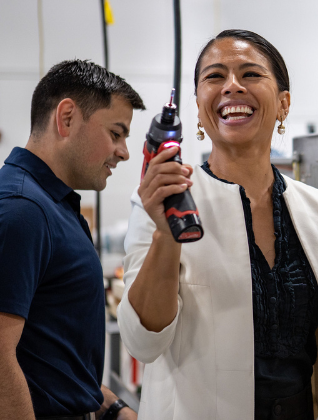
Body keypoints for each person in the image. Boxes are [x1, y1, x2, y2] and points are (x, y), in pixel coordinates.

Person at [118, 30, 318, 420]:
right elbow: (142, 342)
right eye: (215, 77)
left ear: (284, 104)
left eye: (250, 74)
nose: (232, 86)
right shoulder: (160, 200)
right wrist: (167, 233)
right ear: (199, 109)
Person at [0, 60, 145, 420]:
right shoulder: (23, 210)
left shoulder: (55, 207)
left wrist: (113, 408)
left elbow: (50, 355)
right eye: (116, 133)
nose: (124, 152)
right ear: (66, 118)